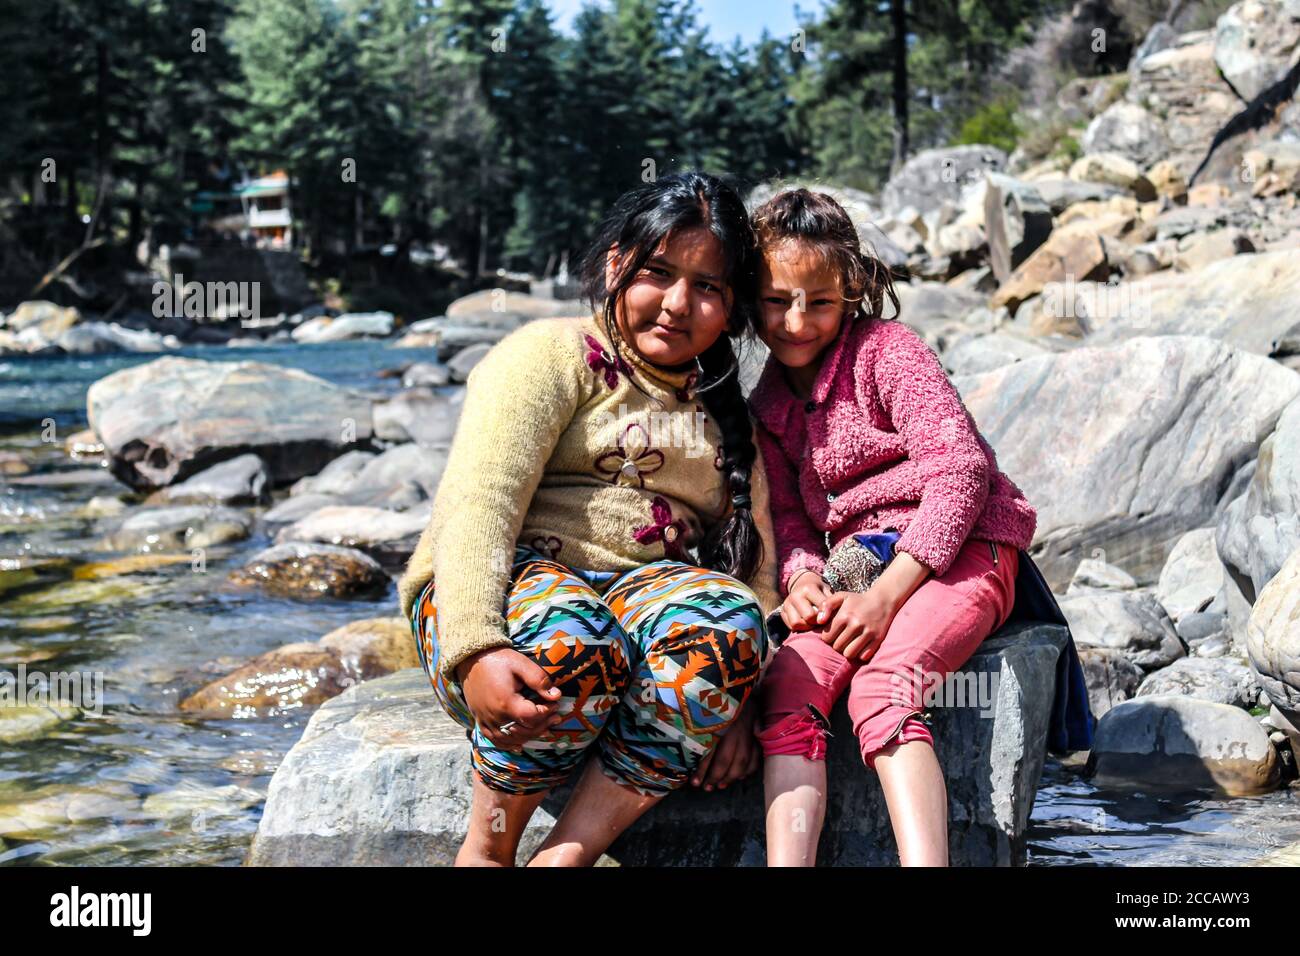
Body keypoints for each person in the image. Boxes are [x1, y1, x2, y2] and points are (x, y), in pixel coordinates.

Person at [396, 171, 780, 867]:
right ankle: (488, 848)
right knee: (576, 637)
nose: (676, 304)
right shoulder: (549, 354)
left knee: (726, 623)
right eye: (657, 273)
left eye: (707, 286)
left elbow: (756, 573)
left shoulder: (723, 415)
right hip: (497, 591)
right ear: (614, 265)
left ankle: (567, 854)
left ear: (731, 308)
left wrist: (739, 702)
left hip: (635, 597)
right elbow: (480, 506)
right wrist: (476, 648)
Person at [745, 188, 1038, 866]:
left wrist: (888, 596)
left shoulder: (888, 352)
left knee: (881, 686)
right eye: (775, 300)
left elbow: (961, 470)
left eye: (818, 301)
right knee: (787, 688)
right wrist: (804, 579)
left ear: (850, 289)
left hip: (963, 545)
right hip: (857, 566)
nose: (796, 321)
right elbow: (788, 516)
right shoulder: (767, 403)